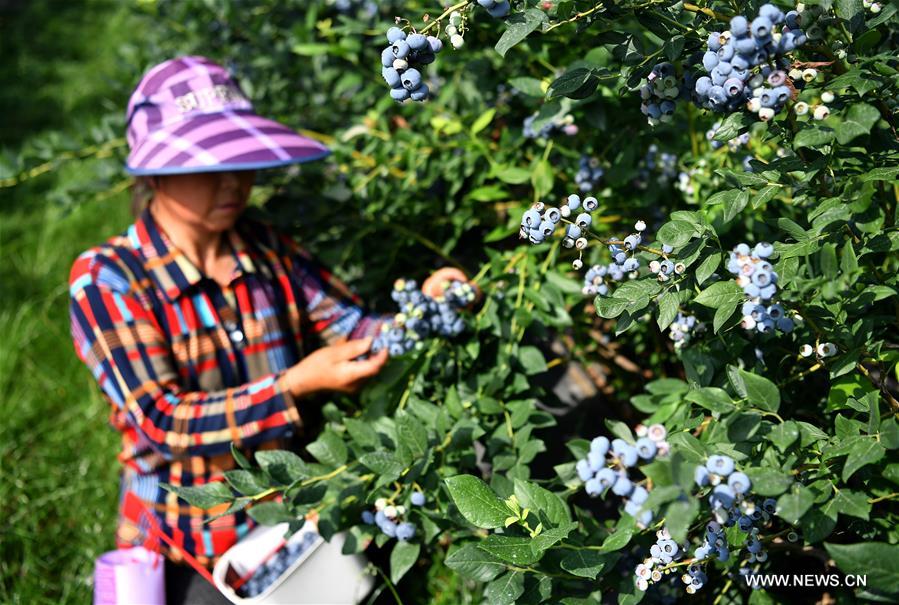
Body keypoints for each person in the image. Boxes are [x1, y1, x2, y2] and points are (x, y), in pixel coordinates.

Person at [69, 56, 467, 605]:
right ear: (153, 174)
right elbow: (164, 422)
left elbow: (350, 327)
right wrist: (294, 387)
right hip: (188, 534)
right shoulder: (108, 280)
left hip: (293, 509)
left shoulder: (264, 246)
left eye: (241, 159)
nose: (235, 181)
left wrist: (420, 311)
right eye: (209, 165)